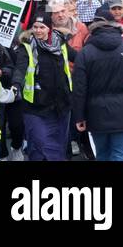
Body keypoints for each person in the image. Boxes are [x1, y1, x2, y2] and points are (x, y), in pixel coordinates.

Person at [70, 6, 123, 161]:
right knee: (120, 154)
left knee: (102, 154)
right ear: (115, 26)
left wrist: (79, 117)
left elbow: (79, 89)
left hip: (96, 111)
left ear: (93, 28)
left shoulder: (85, 53)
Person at [12, 13, 75, 161]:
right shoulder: (26, 47)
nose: (38, 30)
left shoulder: (61, 43)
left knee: (59, 148)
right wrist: (16, 85)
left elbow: (79, 57)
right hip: (36, 106)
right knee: (40, 144)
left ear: (50, 28)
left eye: (42, 27)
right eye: (35, 27)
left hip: (60, 105)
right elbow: (20, 69)